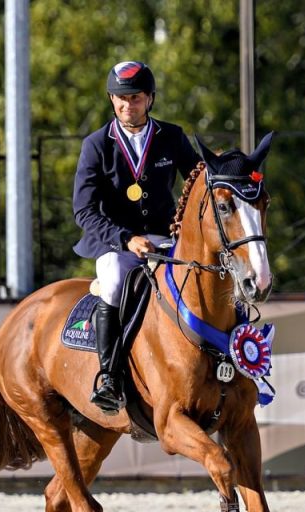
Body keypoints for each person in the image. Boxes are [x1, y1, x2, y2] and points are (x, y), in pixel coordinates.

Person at [72, 61, 201, 415]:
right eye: (121, 98)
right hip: (116, 243)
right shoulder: (96, 145)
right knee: (113, 280)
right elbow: (83, 211)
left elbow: (198, 185)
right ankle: (110, 377)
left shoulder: (172, 137)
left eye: (136, 98)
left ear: (150, 99)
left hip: (164, 239)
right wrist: (125, 239)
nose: (128, 105)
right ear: (113, 100)